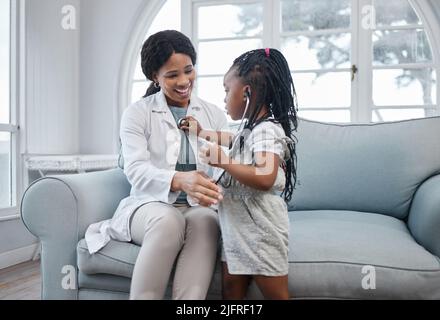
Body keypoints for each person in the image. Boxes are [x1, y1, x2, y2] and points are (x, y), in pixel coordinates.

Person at [85, 30, 228, 300]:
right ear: (155, 77)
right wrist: (180, 180)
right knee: (168, 221)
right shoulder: (138, 113)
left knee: (206, 223)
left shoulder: (213, 115)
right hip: (149, 206)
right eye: (172, 75)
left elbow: (224, 168)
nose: (184, 81)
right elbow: (136, 170)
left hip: (198, 207)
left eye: (188, 70)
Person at [182, 48, 298, 300]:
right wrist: (202, 132)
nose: (224, 98)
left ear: (247, 92)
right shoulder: (253, 128)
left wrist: (223, 162)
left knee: (276, 295)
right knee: (231, 290)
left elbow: (266, 177)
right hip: (236, 229)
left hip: (261, 231)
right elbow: (235, 140)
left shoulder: (267, 130)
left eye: (226, 90)